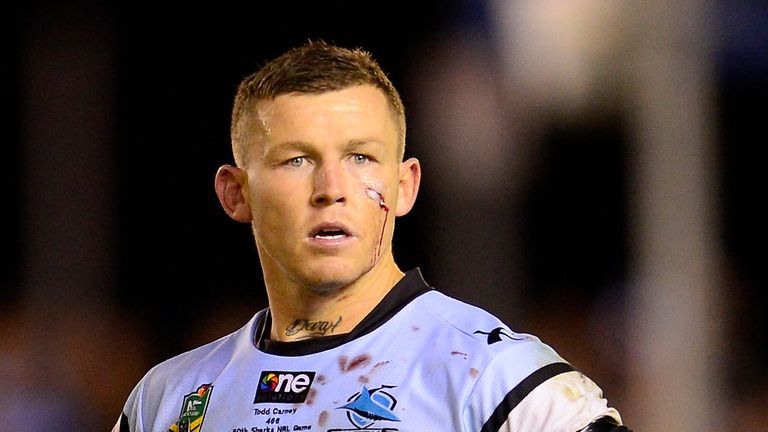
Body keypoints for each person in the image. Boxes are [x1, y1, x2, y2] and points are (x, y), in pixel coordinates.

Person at [113, 40, 630, 432]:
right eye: (297, 160)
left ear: (404, 186)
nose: (331, 189)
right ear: (235, 194)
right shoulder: (168, 401)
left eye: (360, 157)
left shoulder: (498, 380)